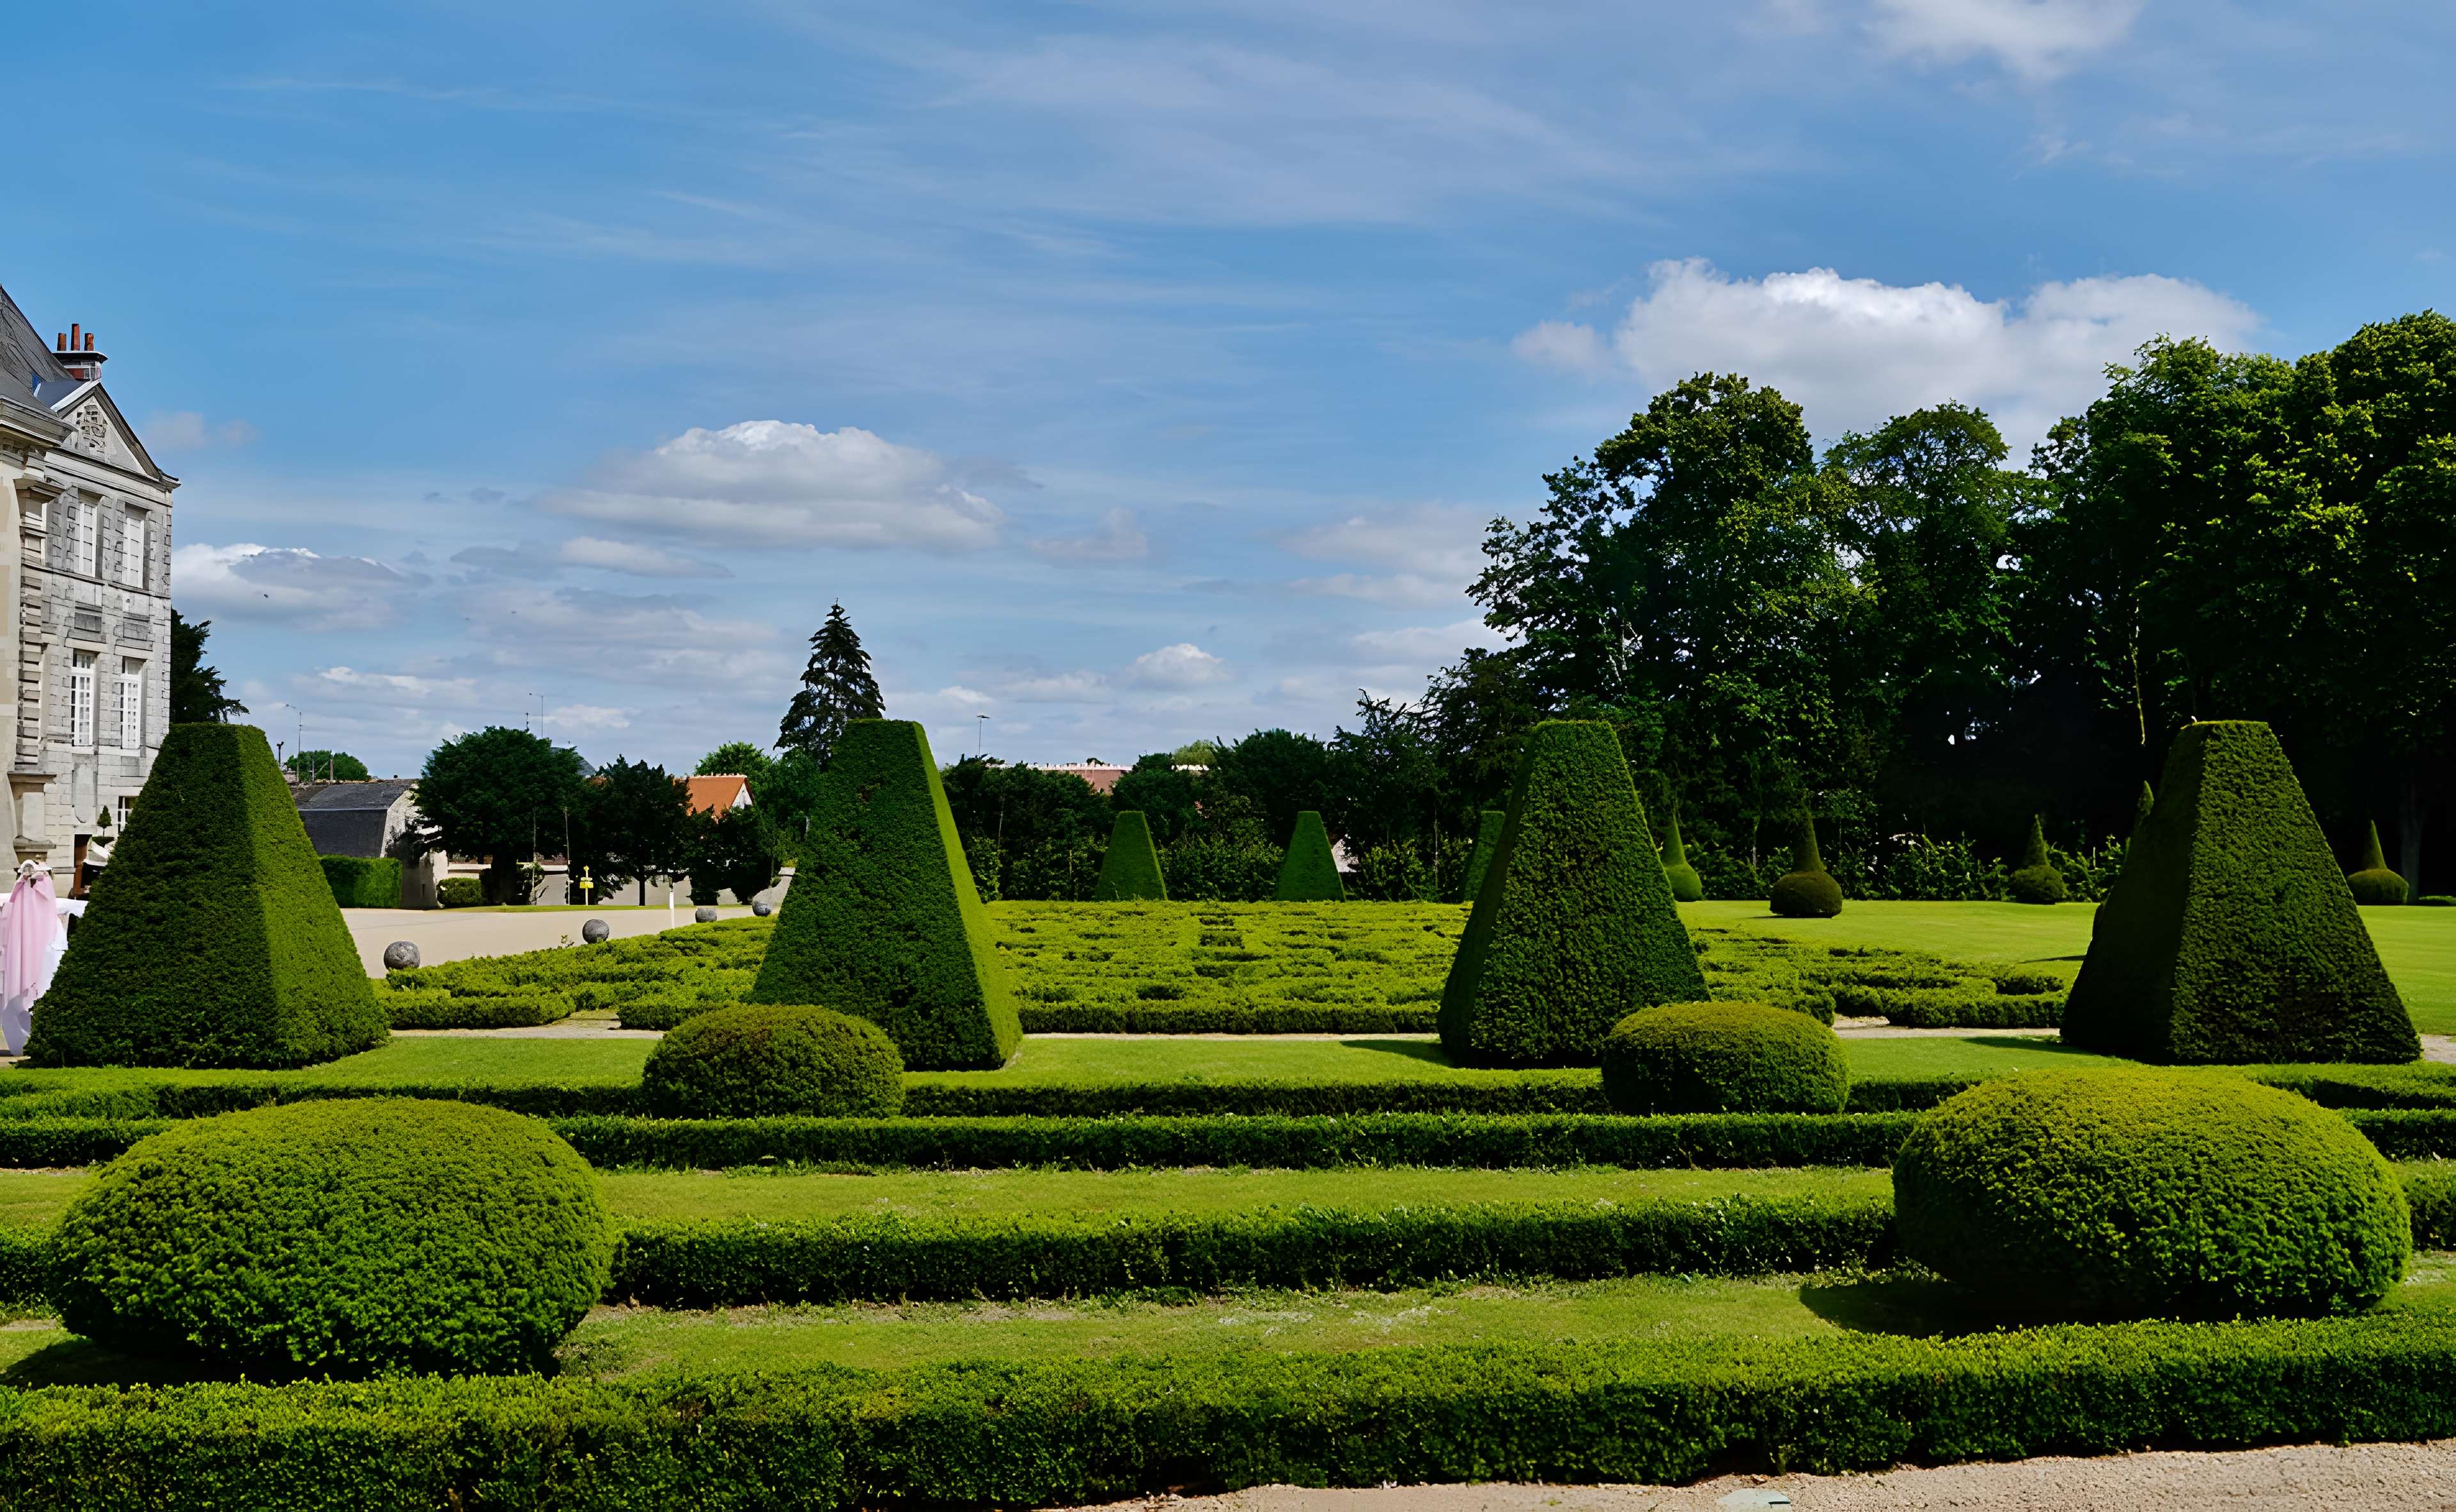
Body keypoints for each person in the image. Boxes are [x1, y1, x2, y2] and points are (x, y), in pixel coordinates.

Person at [1, 860, 82, 1055]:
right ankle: (29, 1043)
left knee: (27, 1006)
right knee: (25, 1007)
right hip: (41, 967)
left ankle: (30, 1043)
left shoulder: (44, 906)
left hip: (42, 968)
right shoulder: (42, 906)